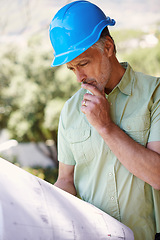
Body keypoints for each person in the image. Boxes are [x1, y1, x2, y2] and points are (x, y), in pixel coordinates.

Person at [49, 1, 160, 239]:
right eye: (71, 68)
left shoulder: (155, 94)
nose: (79, 77)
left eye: (83, 63)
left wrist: (105, 127)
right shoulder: (70, 111)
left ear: (108, 47)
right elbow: (66, 181)